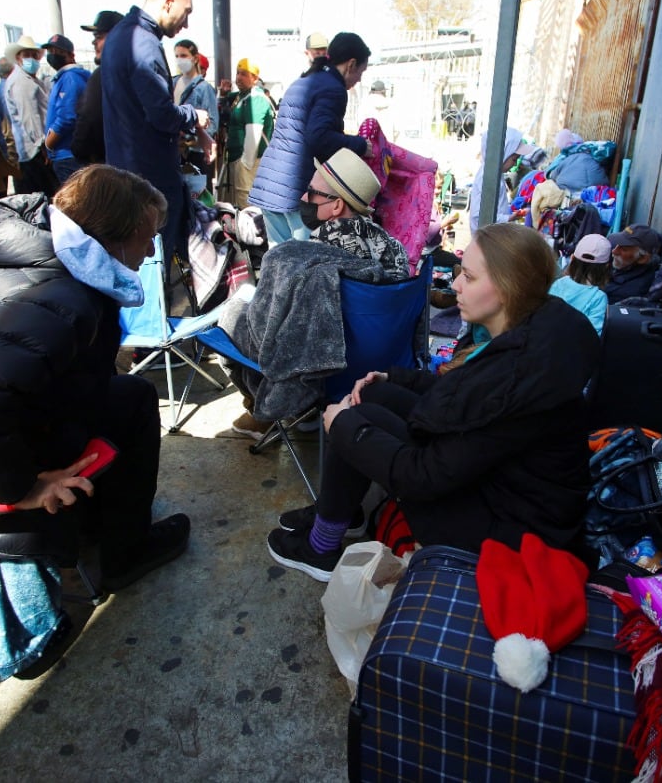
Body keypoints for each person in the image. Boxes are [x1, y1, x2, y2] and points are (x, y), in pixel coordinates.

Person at [0, 164, 190, 593]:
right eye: (149, 233)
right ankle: (125, 552)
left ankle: (102, 523)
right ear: (121, 235)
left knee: (127, 393)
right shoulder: (64, 296)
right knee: (133, 401)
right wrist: (21, 487)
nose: (153, 245)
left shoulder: (28, 245)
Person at [267, 222, 600, 581]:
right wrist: (395, 378)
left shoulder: (517, 380)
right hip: (500, 490)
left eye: (469, 277)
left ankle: (320, 547)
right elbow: (461, 397)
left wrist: (345, 427)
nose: (455, 284)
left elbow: (422, 476)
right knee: (372, 394)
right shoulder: (529, 336)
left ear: (507, 288)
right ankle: (339, 515)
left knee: (355, 418)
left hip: (508, 534)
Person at [229, 148, 407, 441]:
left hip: (323, 370)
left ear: (336, 206)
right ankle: (305, 412)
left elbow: (267, 332)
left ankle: (262, 410)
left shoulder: (298, 258)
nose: (302, 199)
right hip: (381, 365)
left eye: (311, 193)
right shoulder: (395, 250)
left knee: (232, 315)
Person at [103, 0, 211, 262]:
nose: (186, 23)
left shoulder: (121, 35)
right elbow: (161, 114)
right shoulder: (143, 43)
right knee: (151, 263)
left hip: (128, 171)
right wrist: (194, 116)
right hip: (147, 179)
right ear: (168, 1)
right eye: (185, 12)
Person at [248, 32, 373, 246]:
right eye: (361, 71)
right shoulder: (334, 89)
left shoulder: (305, 80)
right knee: (304, 266)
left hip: (270, 185)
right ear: (351, 64)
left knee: (279, 263)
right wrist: (361, 145)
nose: (360, 78)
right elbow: (320, 138)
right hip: (295, 189)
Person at [4, 34, 57, 195]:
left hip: (33, 149)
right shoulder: (22, 82)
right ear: (18, 58)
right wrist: (43, 145)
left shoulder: (28, 80)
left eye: (34, 55)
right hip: (34, 151)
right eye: (26, 55)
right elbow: (30, 117)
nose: (31, 59)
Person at [71, 9, 122, 166]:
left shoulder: (104, 74)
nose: (94, 42)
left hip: (107, 163)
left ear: (116, 37)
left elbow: (89, 116)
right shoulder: (133, 70)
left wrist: (78, 149)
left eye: (99, 37)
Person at [223, 57, 274, 210]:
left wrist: (246, 163)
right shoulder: (242, 97)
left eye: (244, 74)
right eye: (238, 73)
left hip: (249, 161)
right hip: (240, 159)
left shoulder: (255, 99)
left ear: (255, 78)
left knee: (247, 203)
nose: (238, 77)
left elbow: (254, 132)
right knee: (240, 201)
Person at [41, 34, 90, 184]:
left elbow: (67, 117)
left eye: (57, 52)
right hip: (68, 154)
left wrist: (49, 144)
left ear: (70, 55)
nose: (52, 55)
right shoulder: (68, 77)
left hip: (67, 154)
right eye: (50, 52)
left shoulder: (70, 78)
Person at [171, 38, 218, 194]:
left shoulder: (204, 88)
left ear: (195, 58)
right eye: (177, 55)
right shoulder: (172, 83)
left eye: (184, 55)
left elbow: (212, 124)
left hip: (196, 153)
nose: (179, 60)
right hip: (173, 152)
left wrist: (191, 133)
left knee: (198, 198)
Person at [549, 232, 611, 336]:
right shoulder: (599, 298)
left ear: (572, 259)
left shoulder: (559, 283)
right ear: (606, 267)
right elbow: (593, 336)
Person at [605, 224, 662, 301]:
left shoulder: (628, 291)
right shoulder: (627, 264)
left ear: (642, 259)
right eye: (618, 244)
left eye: (624, 249)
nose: (614, 251)